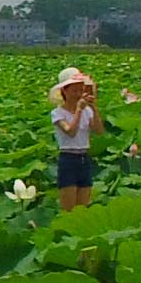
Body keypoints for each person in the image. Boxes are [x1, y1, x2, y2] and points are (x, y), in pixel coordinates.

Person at [48, 67, 100, 211]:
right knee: (69, 210)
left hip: (85, 159)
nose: (78, 94)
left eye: (80, 90)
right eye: (75, 91)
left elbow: (99, 130)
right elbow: (70, 131)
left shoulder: (87, 111)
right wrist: (78, 110)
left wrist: (94, 108)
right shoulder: (57, 113)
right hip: (68, 160)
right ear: (64, 91)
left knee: (82, 209)